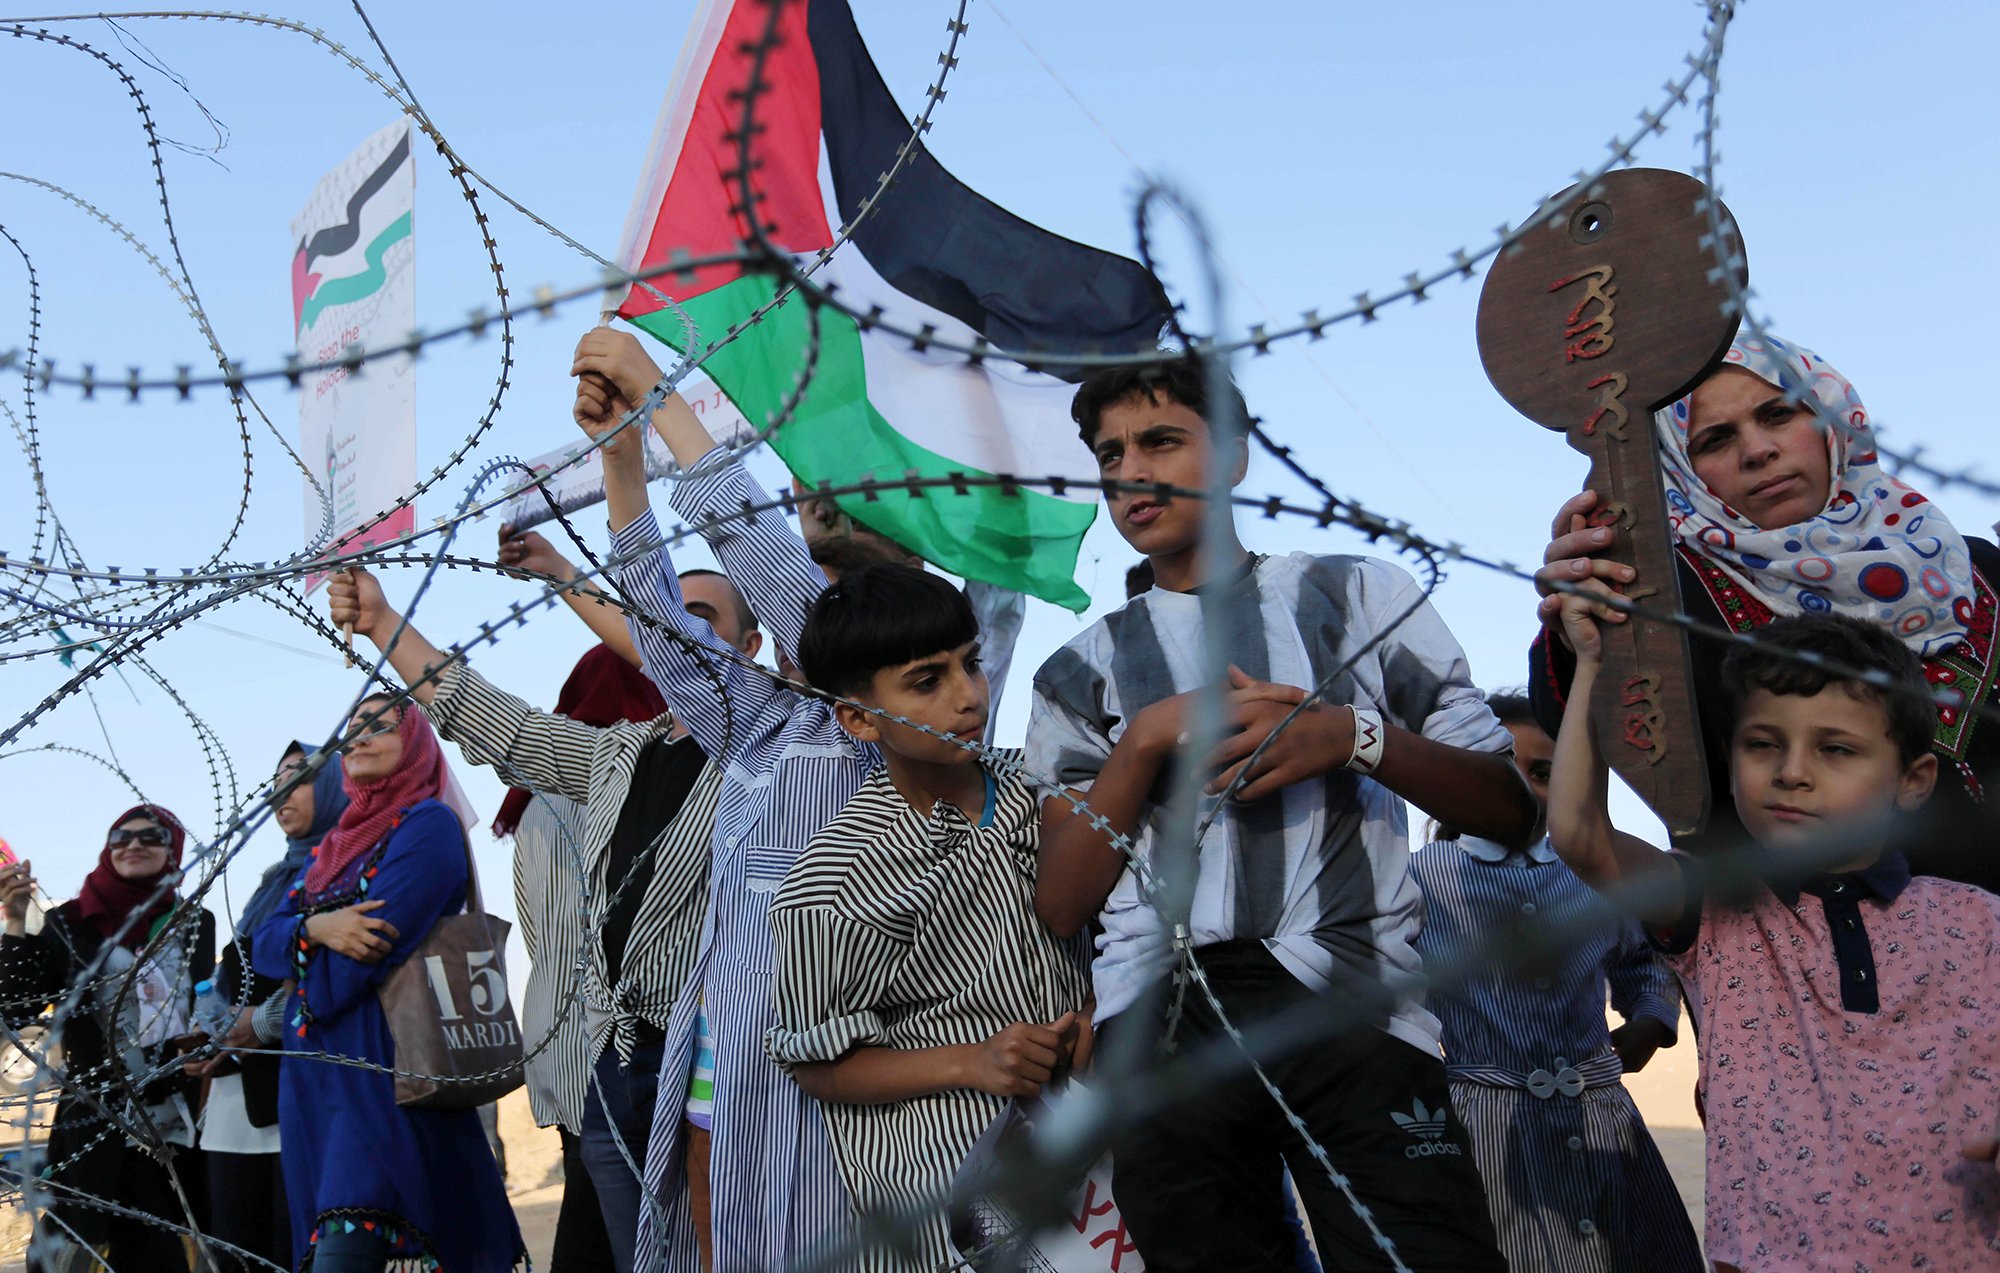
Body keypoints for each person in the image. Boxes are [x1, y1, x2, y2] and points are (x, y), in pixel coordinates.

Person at [1027, 357, 1537, 1270]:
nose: (1130, 471)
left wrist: (1352, 737)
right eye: (1110, 454)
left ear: (1234, 456)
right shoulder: (1080, 669)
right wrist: (1143, 744)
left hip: (1353, 1002)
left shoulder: (1357, 597)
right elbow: (1061, 902)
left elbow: (1510, 810)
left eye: (1161, 440)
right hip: (1158, 1021)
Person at [570, 327, 1029, 1271]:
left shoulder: (911, 721)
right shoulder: (763, 727)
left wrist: (659, 394)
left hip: (864, 1072)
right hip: (725, 1059)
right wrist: (623, 461)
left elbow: (766, 560)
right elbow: (661, 622)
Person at [329, 563, 759, 1273]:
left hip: (719, 1059)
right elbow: (501, 724)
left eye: (703, 614)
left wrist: (564, 568)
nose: (680, 628)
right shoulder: (620, 752)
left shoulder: (770, 749)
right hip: (618, 1070)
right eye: (663, 615)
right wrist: (382, 623)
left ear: (750, 644)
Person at [1546, 600, 2000, 1270]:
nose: (1792, 771)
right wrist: (1589, 664)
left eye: (1835, 748)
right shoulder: (1718, 910)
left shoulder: (1981, 922)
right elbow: (1581, 838)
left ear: (1913, 781)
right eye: (1763, 744)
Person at [1529, 334, 2000, 888]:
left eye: (1778, 414)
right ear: (1679, 469)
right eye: (1715, 439)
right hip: (1789, 950)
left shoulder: (1971, 564)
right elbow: (1595, 729)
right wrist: (1579, 613)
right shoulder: (1660, 594)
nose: (1757, 451)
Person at [764, 564, 1091, 1271]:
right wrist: (973, 1060)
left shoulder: (1048, 787)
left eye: (970, 663)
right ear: (858, 716)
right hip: (951, 1186)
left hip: (1102, 1159)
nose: (969, 695)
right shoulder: (832, 879)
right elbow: (817, 1061)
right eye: (926, 681)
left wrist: (1101, 1003)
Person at [1408, 693, 1698, 1272]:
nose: (1520, 787)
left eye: (1543, 773)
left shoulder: (1597, 874)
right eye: (1498, 768)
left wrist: (1651, 1021)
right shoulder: (1420, 878)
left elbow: (1646, 959)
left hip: (1602, 1118)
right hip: (1486, 1124)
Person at [250, 694, 524, 1273]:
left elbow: (371, 948)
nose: (361, 736)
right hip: (312, 1083)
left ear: (416, 745)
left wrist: (307, 969)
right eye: (352, 727)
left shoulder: (429, 825)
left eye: (381, 726)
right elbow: (263, 946)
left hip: (382, 1068)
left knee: (355, 1239)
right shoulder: (331, 849)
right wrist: (319, 926)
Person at [0, 804, 215, 1271]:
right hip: (95, 1117)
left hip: (174, 1119)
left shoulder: (195, 922)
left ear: (173, 851)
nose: (134, 845)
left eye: (150, 837)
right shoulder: (70, 923)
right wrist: (15, 921)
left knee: (162, 1251)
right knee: (74, 1247)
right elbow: (17, 1008)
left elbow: (204, 1008)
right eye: (122, 837)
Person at [190, 744, 349, 1272]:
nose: (282, 793)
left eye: (300, 779)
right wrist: (215, 1032)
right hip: (239, 1103)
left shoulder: (346, 867)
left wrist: (258, 1024)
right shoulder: (274, 879)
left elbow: (329, 972)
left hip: (301, 1098)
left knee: (293, 1251)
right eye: (277, 780)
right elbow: (225, 978)